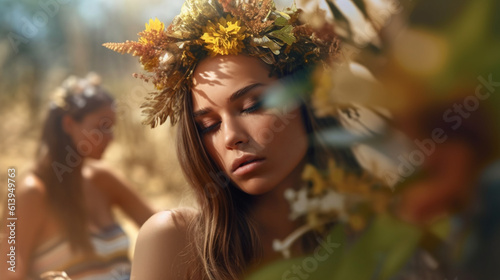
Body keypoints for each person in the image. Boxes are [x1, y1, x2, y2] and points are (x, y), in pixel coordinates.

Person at [105, 1, 362, 279]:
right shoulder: (174, 240)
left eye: (252, 105)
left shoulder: (377, 224)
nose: (231, 137)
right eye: (208, 125)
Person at [0, 73, 155, 280]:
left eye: (112, 127)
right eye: (102, 127)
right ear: (69, 124)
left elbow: (162, 226)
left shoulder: (102, 178)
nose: (111, 137)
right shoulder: (32, 192)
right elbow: (9, 272)